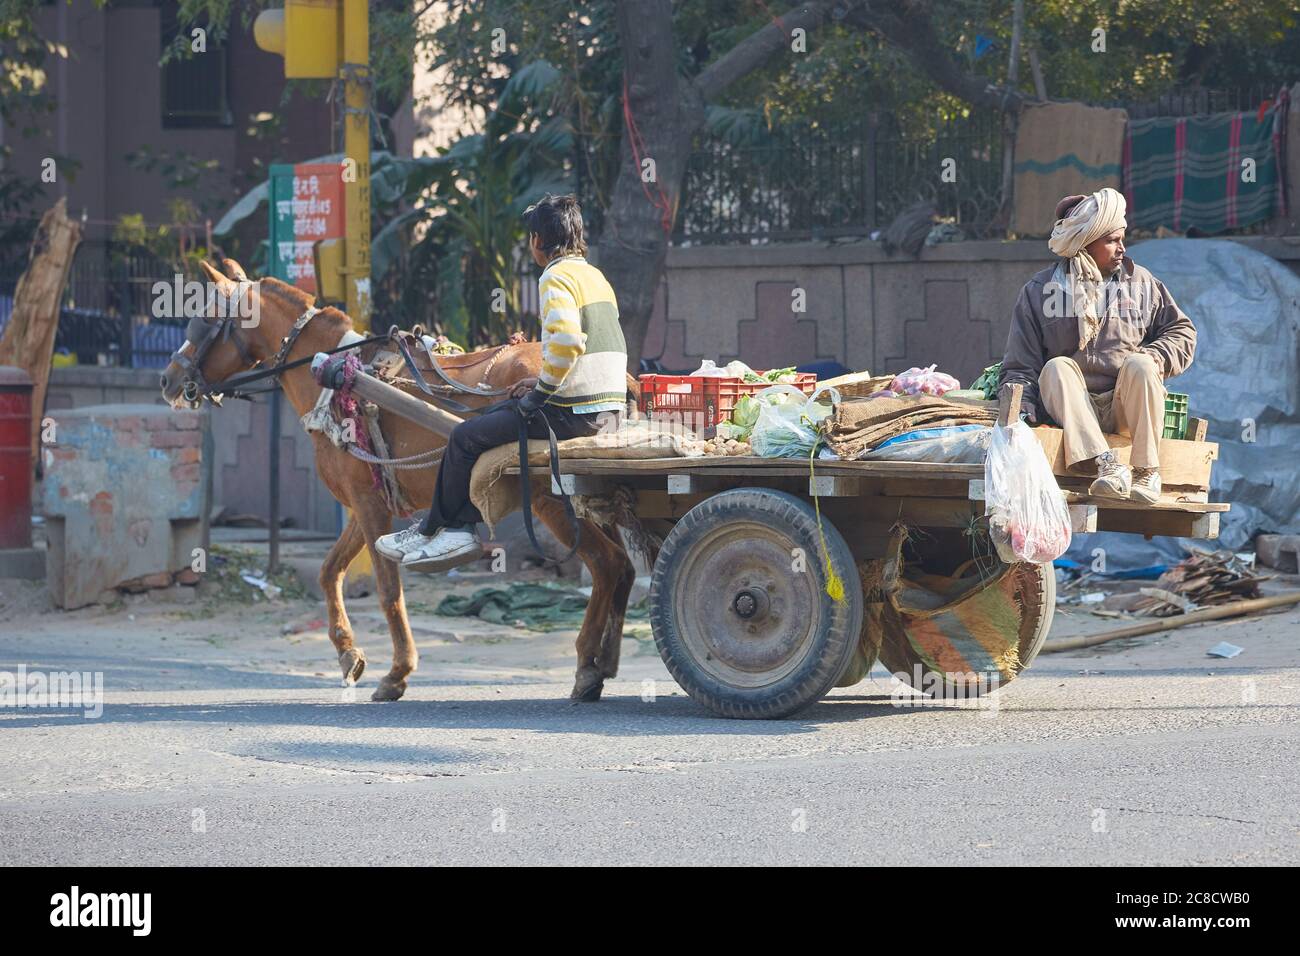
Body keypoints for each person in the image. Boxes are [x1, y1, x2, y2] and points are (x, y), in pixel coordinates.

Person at [377, 194, 627, 570]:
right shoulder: (595, 276)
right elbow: (588, 347)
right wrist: (541, 383)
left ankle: (453, 531)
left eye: (531, 237)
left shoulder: (555, 275)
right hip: (606, 410)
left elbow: (567, 343)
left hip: (575, 415)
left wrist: (540, 394)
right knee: (492, 418)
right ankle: (432, 528)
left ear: (539, 241)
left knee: (464, 436)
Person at [999, 187, 1196, 504]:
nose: (1122, 248)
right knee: (1057, 367)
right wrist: (1022, 412)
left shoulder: (1141, 282)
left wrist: (1154, 356)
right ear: (1082, 245)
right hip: (1073, 410)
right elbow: (1020, 367)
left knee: (1142, 364)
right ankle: (1108, 465)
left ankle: (1146, 472)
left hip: (1123, 407)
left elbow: (1181, 331)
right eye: (1111, 240)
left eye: (1122, 238)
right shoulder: (1039, 291)